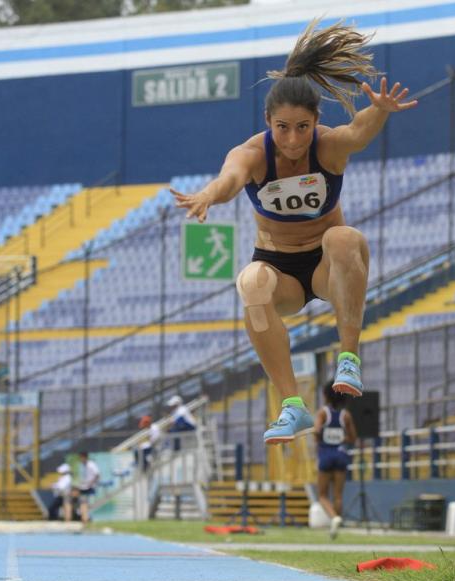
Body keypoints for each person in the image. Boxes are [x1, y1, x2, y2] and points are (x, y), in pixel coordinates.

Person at [170, 19, 417, 446]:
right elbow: (229, 180)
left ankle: (349, 358)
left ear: (315, 122)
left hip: (328, 265)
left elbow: (356, 132)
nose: (292, 138)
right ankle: (292, 406)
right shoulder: (252, 154)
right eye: (283, 127)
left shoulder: (327, 146)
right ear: (269, 121)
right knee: (249, 281)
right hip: (279, 271)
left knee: (344, 237)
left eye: (302, 127)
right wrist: (208, 195)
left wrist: (379, 110)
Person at [314, 381, 357, 539]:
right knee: (338, 495)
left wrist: (320, 438)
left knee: (322, 495)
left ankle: (334, 518)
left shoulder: (323, 413)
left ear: (325, 395)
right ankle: (335, 529)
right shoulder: (346, 415)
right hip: (340, 454)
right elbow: (353, 437)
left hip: (326, 455)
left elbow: (317, 430)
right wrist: (341, 437)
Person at [75, 451, 100, 525]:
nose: (80, 460)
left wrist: (90, 483)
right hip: (84, 487)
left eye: (81, 458)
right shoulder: (82, 465)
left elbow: (97, 475)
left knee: (87, 504)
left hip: (90, 487)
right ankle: (84, 519)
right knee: (82, 503)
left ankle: (87, 519)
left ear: (85, 457)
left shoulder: (91, 464)